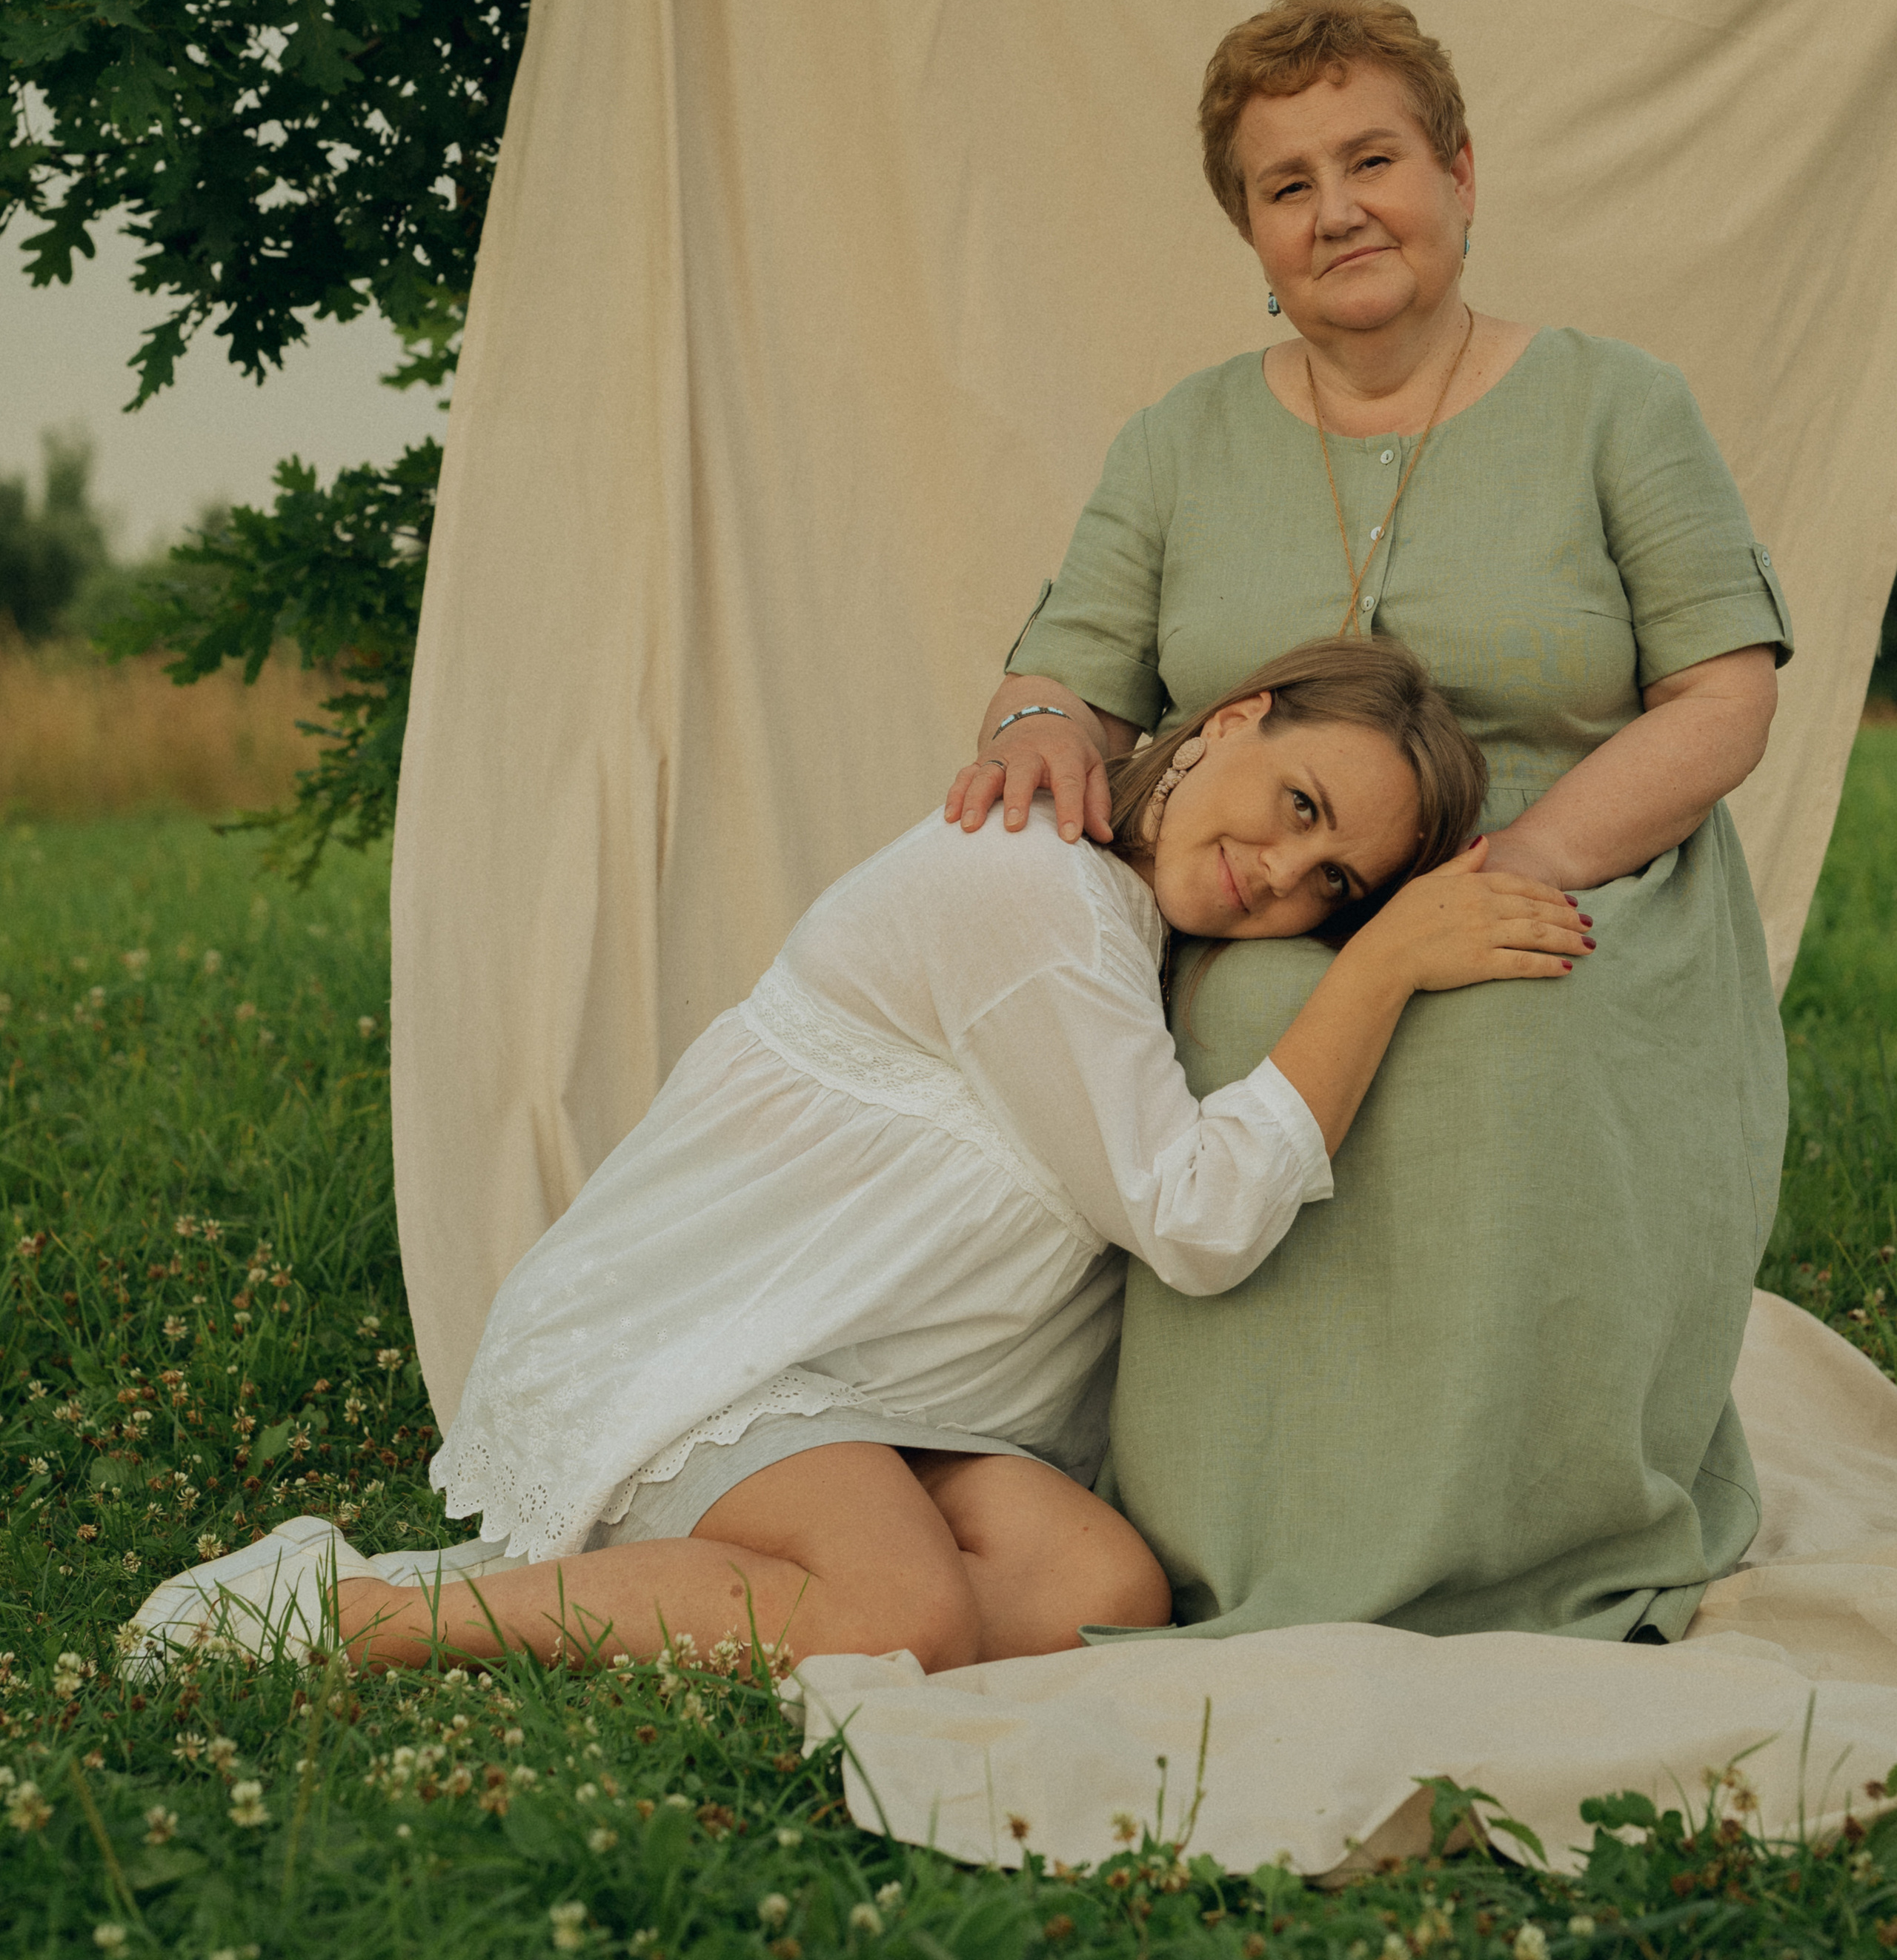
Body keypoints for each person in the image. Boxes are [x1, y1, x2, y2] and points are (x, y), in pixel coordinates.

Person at [123, 641, 1585, 1680]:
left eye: (1333, 881)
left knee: (1096, 1587)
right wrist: (1376, 963)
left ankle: (669, 1604)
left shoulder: (1119, 935)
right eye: (1299, 803)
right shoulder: (1032, 894)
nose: (1279, 868)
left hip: (870, 1392)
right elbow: (1190, 1217)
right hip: (710, 1350)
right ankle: (353, 1620)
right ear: (1228, 720)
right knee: (902, 1623)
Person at [948, 0, 1791, 1647]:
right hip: (1275, 883)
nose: (1337, 209)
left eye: (1372, 158)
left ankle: (1531, 1536)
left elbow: (1722, 692)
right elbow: (1056, 678)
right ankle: (1238, 1533)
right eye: (1285, 185)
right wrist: (1038, 733)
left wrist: (1512, 868)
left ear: (1458, 174)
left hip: (1578, 870)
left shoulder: (1618, 404)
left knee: (1496, 1020)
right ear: (1251, 237)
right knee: (1258, 1005)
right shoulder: (1176, 441)